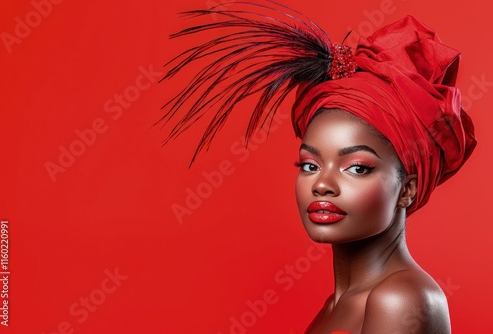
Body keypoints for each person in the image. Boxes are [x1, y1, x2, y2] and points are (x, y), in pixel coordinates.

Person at [158, 2, 476, 333]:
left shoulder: (399, 299)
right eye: (310, 164)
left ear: (406, 189)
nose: (322, 184)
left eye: (356, 168)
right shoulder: (339, 305)